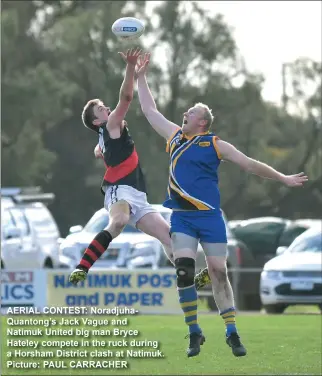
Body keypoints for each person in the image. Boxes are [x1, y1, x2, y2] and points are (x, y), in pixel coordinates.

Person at [135, 52, 308, 358]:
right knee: (184, 271)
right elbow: (149, 110)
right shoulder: (175, 137)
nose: (185, 113)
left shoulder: (215, 144)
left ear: (201, 121)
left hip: (211, 218)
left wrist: (282, 177)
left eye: (191, 112)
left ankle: (231, 332)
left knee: (218, 271)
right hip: (183, 218)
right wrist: (140, 75)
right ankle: (194, 332)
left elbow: (250, 164)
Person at [68, 48, 211, 290]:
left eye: (104, 105)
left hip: (137, 195)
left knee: (169, 237)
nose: (106, 108)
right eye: (101, 108)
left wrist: (99, 148)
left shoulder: (106, 132)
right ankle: (82, 267)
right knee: (119, 221)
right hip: (119, 189)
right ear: (97, 121)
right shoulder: (111, 123)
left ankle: (188, 279)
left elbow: (101, 147)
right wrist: (131, 68)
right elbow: (125, 99)